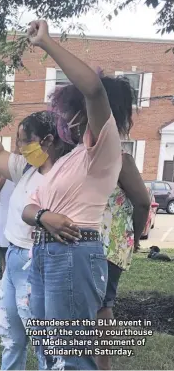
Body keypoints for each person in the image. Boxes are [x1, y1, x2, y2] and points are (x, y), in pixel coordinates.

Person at [21, 20, 128, 370]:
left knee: (71, 355)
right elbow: (29, 206)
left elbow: (95, 90)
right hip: (44, 252)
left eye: (71, 111)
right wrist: (42, 216)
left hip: (73, 251)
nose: (66, 119)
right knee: (46, 348)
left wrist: (47, 43)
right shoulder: (71, 158)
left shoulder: (104, 147)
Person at [49, 71, 150, 371]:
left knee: (101, 307)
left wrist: (135, 233)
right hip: (93, 243)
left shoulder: (118, 158)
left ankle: (100, 366)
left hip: (104, 245)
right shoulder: (86, 155)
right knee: (97, 306)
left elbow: (143, 201)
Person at [0, 105, 73, 370]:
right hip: (14, 258)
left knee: (46, 346)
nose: (19, 148)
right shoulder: (28, 168)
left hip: (40, 265)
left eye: (24, 141)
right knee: (11, 338)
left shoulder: (65, 176)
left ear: (49, 140)